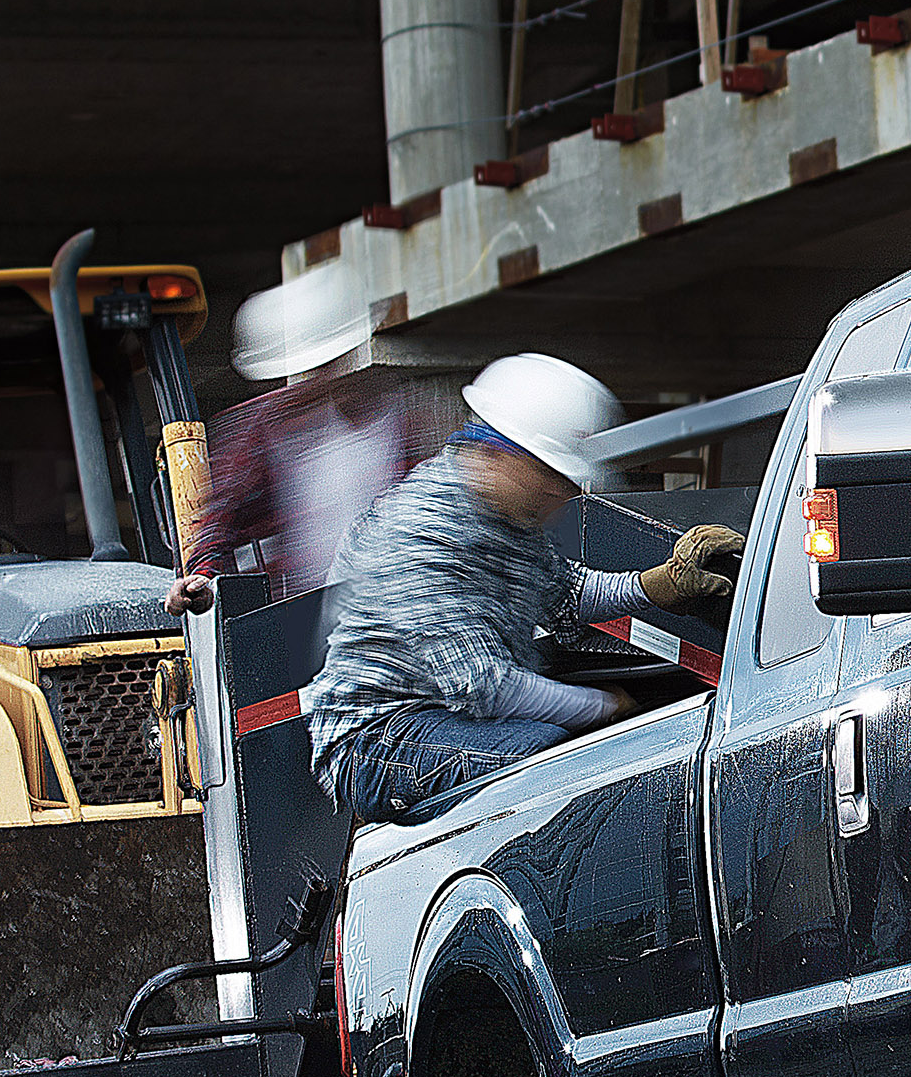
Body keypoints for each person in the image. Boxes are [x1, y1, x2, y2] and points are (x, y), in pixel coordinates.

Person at [301, 354, 743, 827]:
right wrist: (605, 707)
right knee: (541, 757)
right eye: (554, 478)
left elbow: (567, 594)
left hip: (448, 713)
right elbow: (485, 686)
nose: (565, 495)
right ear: (503, 454)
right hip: (376, 741)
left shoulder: (511, 518)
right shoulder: (424, 532)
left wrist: (657, 586)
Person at [170, 268, 457, 611]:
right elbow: (218, 530)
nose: (322, 378)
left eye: (331, 364)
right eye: (312, 369)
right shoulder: (257, 436)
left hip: (389, 608)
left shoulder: (395, 420)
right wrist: (201, 580)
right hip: (297, 619)